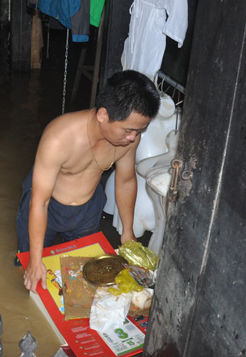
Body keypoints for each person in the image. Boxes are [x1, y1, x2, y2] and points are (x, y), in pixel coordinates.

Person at [17, 70, 160, 291]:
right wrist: (35, 262)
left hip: (87, 209)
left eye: (140, 130)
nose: (133, 138)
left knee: (82, 277)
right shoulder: (59, 137)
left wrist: (128, 232)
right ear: (103, 115)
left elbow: (126, 181)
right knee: (29, 270)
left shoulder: (129, 139)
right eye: (129, 130)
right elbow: (40, 202)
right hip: (47, 205)